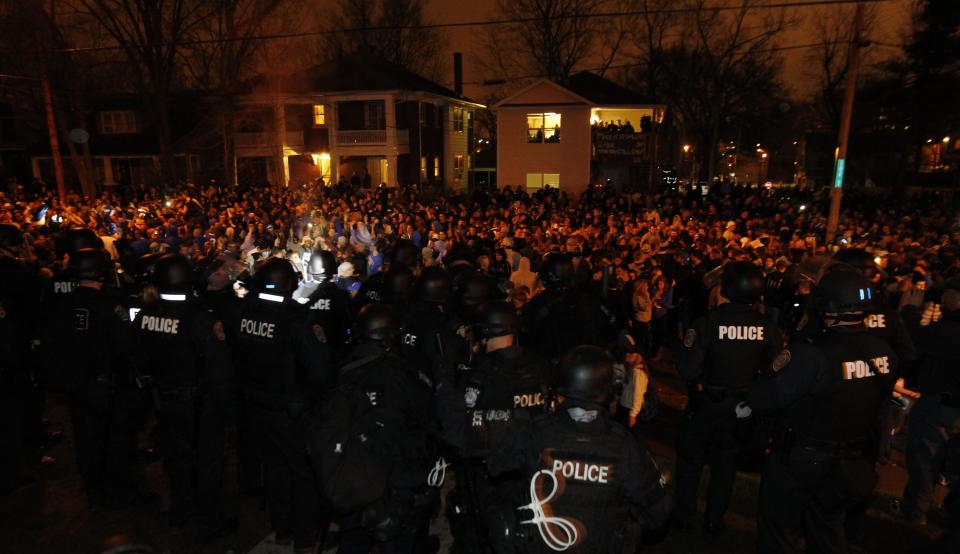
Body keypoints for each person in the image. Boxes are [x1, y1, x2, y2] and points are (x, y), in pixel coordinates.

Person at [746, 269, 899, 553]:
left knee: (780, 530)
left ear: (828, 306)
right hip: (849, 459)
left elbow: (766, 396)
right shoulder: (885, 353)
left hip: (801, 458)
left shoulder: (813, 354)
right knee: (827, 527)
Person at [488, 345, 671, 553]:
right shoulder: (623, 445)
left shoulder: (534, 432)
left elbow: (494, 466)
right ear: (609, 390)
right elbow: (658, 513)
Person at [223, 257, 331, 553]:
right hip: (292, 411)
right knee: (302, 474)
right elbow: (320, 372)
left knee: (274, 471)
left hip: (256, 408)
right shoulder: (295, 320)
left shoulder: (243, 314)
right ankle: (305, 537)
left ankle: (282, 529)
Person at [316, 303, 436, 554]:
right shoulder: (405, 374)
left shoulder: (343, 367)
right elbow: (426, 421)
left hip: (355, 478)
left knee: (353, 540)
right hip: (396, 480)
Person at [132, 254, 237, 541]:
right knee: (208, 462)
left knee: (176, 459)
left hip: (165, 400)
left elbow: (137, 357)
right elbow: (218, 367)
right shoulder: (200, 314)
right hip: (201, 404)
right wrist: (229, 408)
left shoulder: (146, 313)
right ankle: (210, 521)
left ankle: (180, 510)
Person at [673, 261, 783, 532]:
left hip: (707, 403)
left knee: (690, 461)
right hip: (742, 408)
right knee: (725, 466)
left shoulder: (708, 322)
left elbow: (688, 367)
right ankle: (714, 519)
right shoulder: (767, 327)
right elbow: (776, 369)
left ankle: (684, 517)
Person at [41, 248, 146, 508]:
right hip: (108, 386)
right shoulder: (110, 306)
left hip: (76, 386)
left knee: (86, 440)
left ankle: (94, 490)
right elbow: (126, 346)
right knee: (116, 440)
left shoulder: (62, 302)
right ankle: (121, 493)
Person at [445, 301, 551, 553]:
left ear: (485, 333)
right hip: (533, 462)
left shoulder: (481, 372)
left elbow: (462, 422)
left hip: (491, 466)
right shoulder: (539, 365)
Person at [898, 277, 960, 526]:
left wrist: (910, 309)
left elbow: (915, 338)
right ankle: (951, 514)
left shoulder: (950, 329)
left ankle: (915, 513)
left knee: (925, 460)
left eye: (947, 293)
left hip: (941, 407)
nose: (943, 298)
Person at [0, 224, 37, 496]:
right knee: (9, 417)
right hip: (8, 357)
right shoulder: (10, 272)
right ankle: (8, 476)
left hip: (11, 352)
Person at [294, 248, 353, 365]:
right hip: (332, 355)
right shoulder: (341, 295)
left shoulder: (298, 293)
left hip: (303, 356)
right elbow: (348, 322)